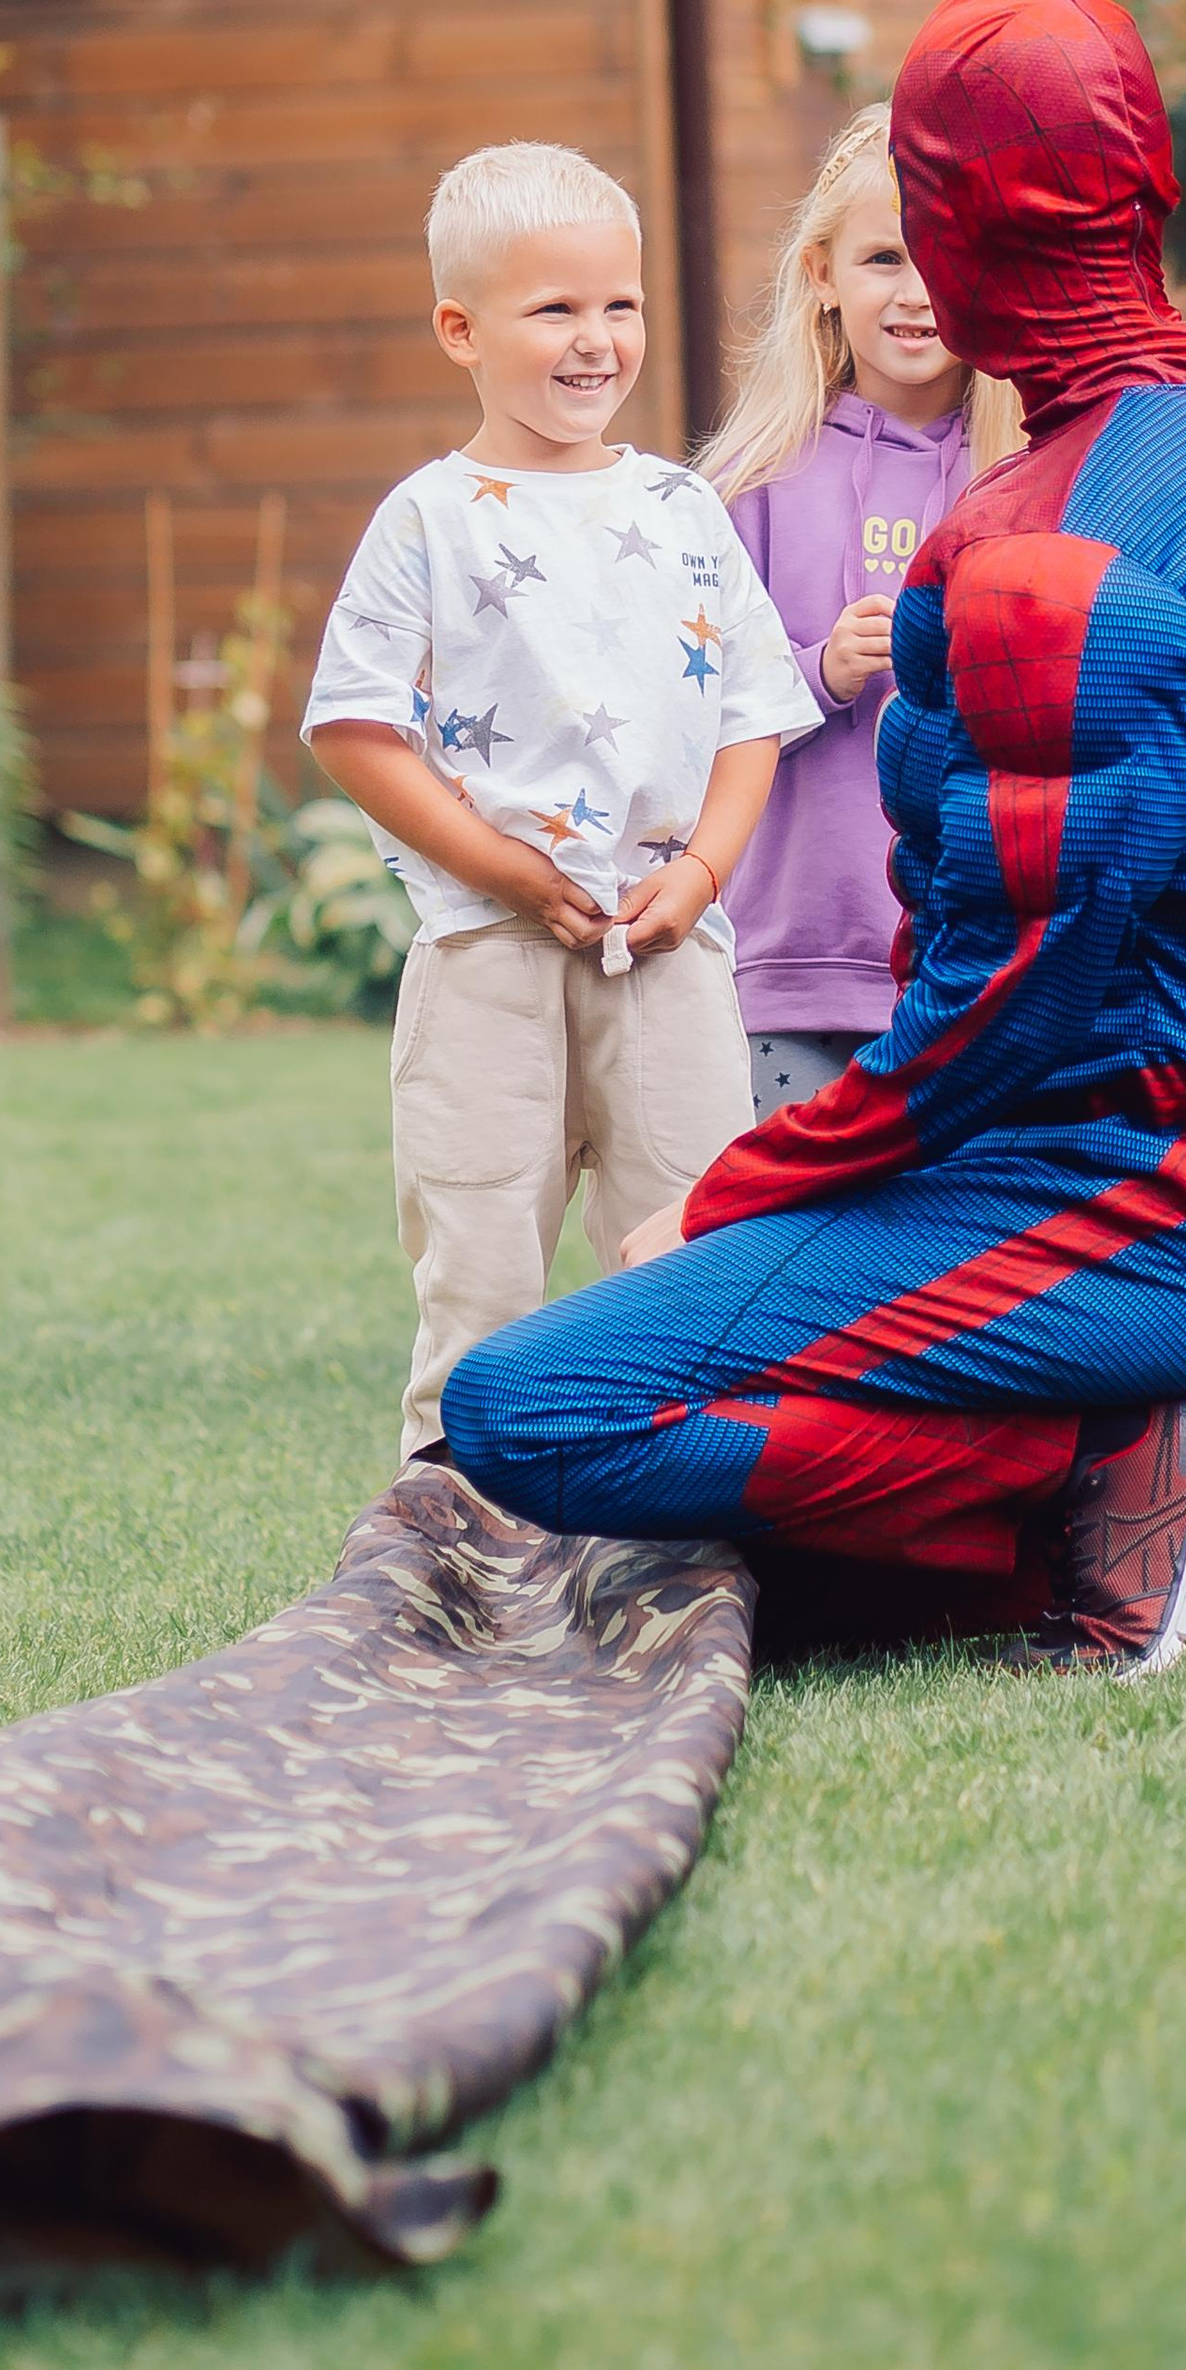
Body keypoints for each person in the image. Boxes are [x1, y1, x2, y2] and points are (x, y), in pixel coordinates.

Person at [440, 0, 1186, 1673]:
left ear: (954, 229)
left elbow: (1011, 990)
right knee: (745, 1525)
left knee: (532, 1415)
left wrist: (752, 1182)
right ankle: (1157, 1456)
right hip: (1135, 1162)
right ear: (1148, 191)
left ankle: (1129, 1451)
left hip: (1115, 1196)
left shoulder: (1060, 536)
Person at [304, 140, 820, 1463]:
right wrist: (510, 873)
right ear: (460, 330)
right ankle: (453, 1520)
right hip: (491, 952)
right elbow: (357, 730)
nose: (596, 341)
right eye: (555, 311)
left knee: (696, 1246)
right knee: (477, 1252)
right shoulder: (432, 519)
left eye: (620, 305)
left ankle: (697, 1517)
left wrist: (700, 877)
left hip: (667, 950)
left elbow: (755, 719)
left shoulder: (683, 507)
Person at [701, 103, 1018, 1119]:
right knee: (795, 1250)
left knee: (938, 1259)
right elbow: (697, 724)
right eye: (885, 257)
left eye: (947, 258)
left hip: (978, 957)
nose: (918, 292)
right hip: (791, 958)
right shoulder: (751, 484)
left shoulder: (1029, 477)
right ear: (822, 279)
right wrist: (820, 673)